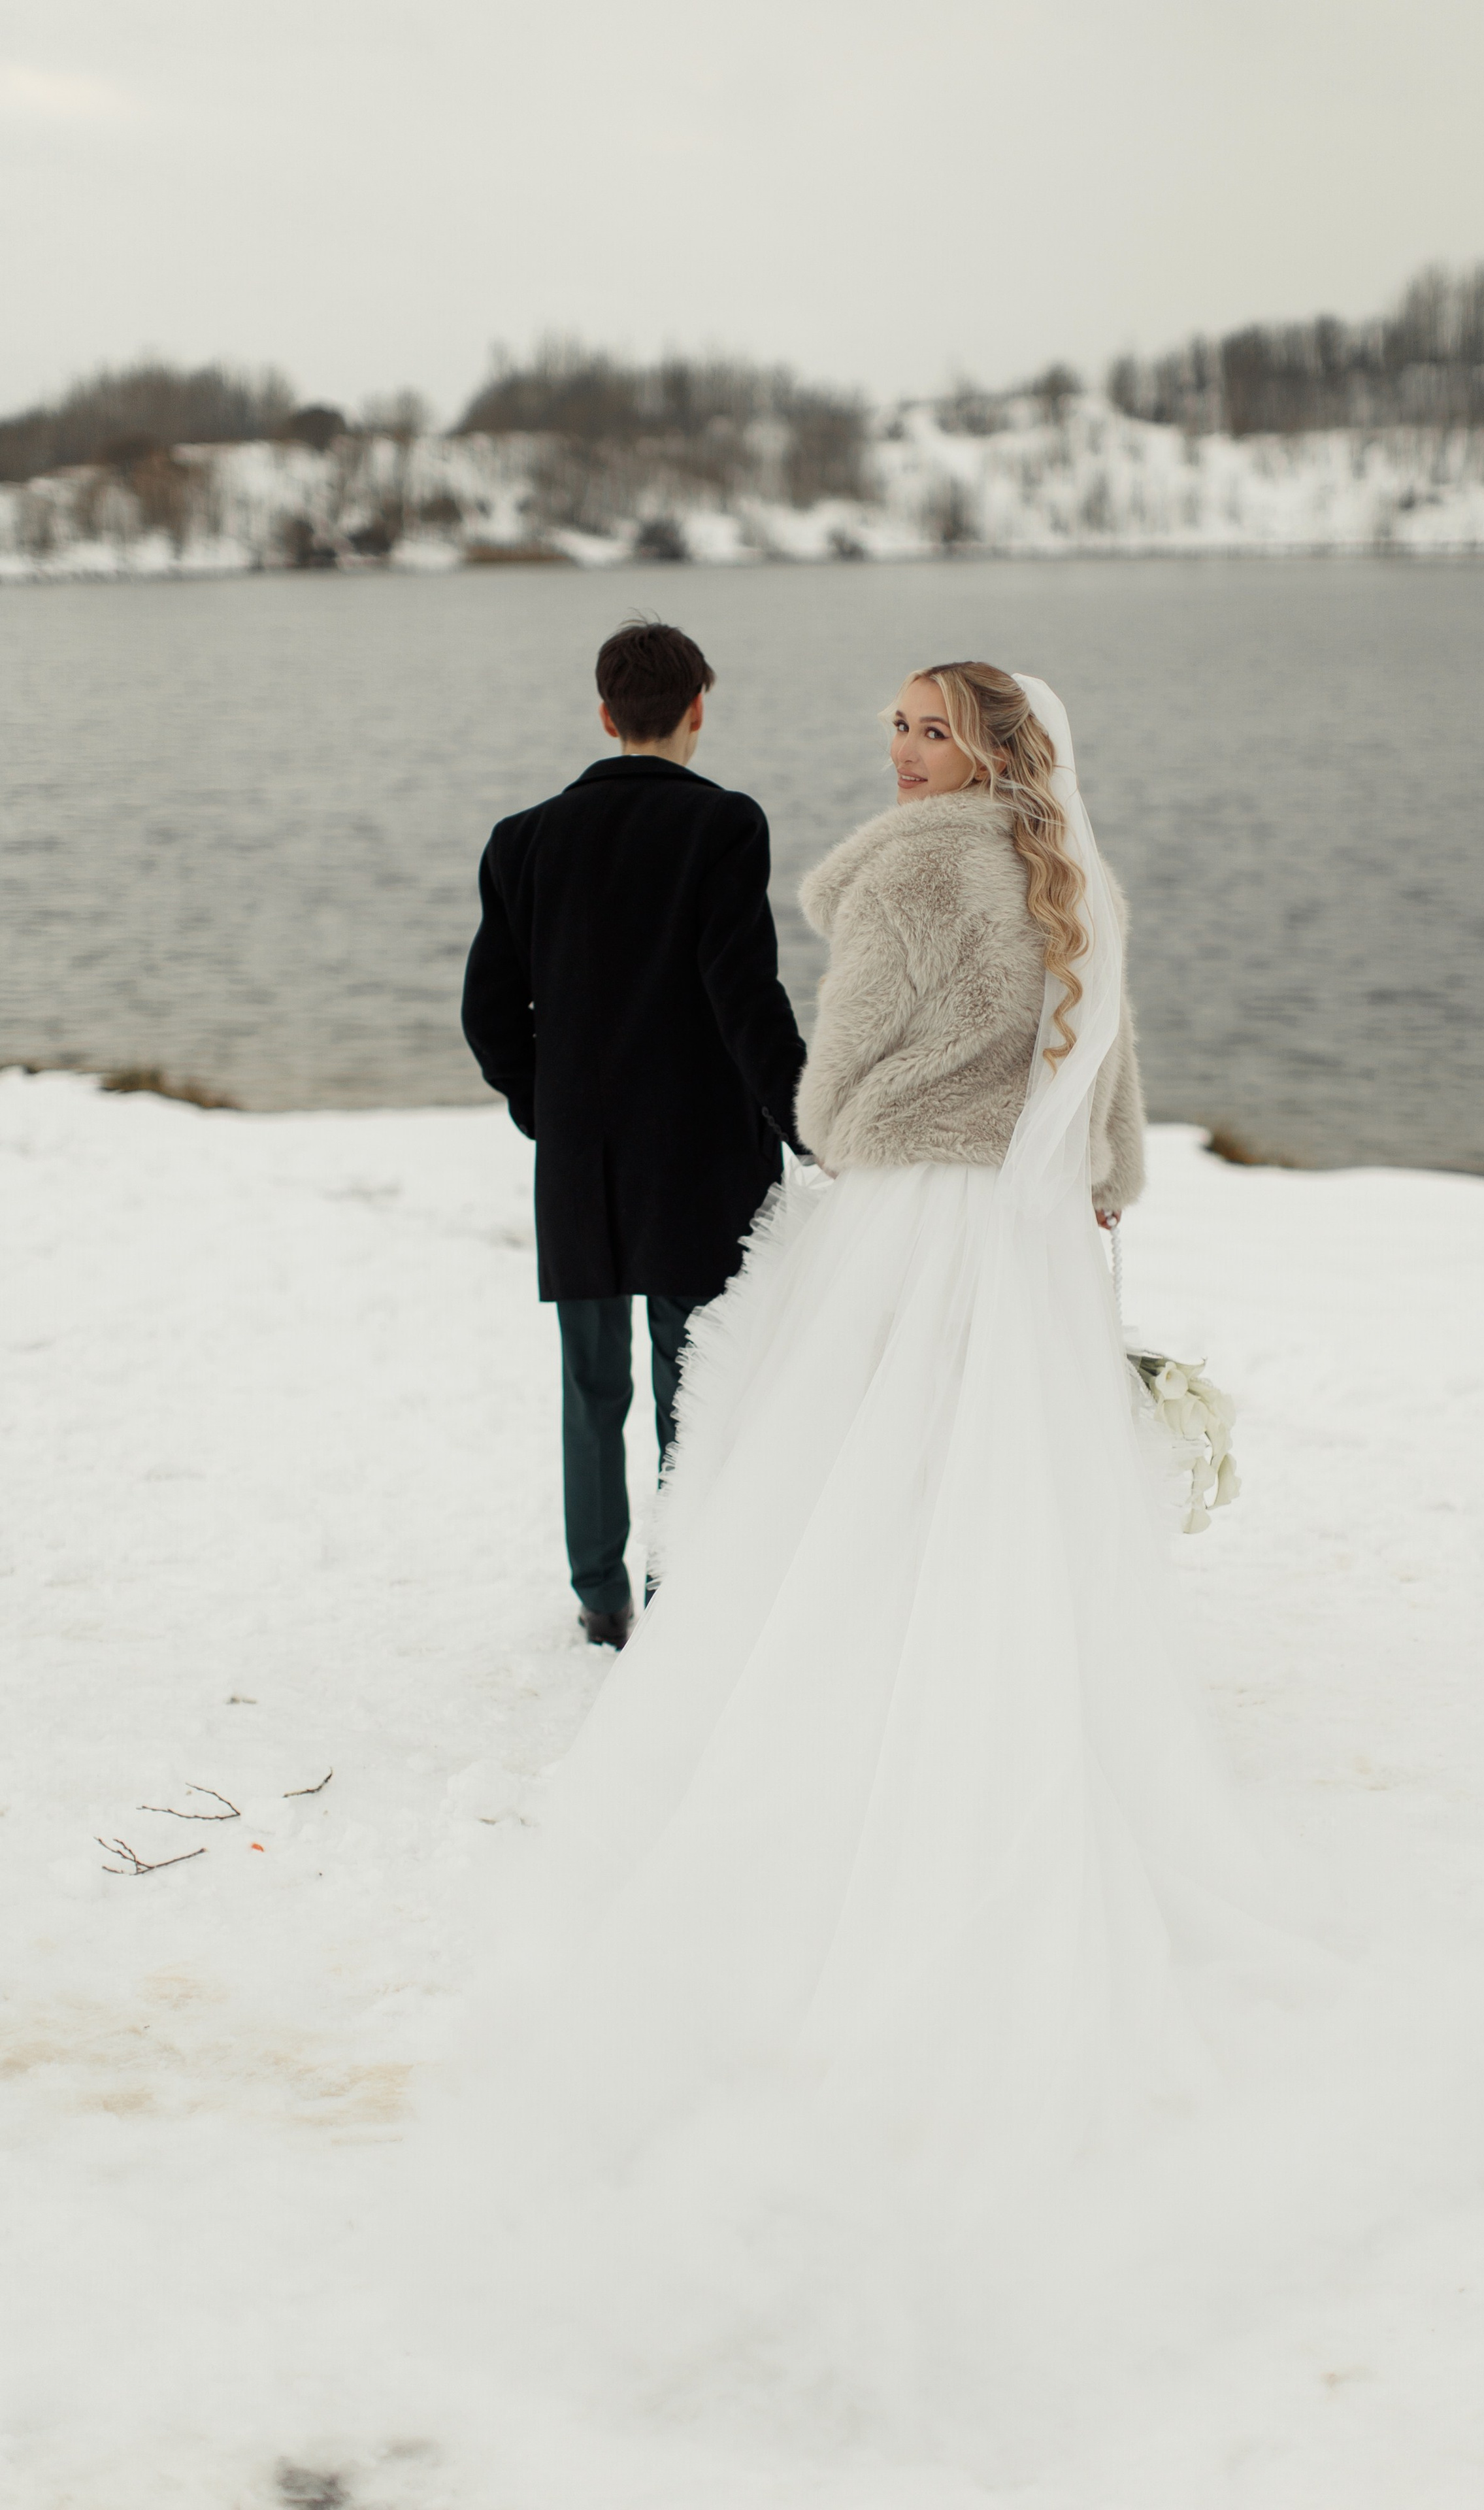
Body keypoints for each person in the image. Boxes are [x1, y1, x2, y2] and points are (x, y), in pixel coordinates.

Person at [438, 665, 1326, 2447]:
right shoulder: (1073, 863)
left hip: (919, 1213)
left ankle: (794, 1663)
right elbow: (1115, 1068)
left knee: (848, 1470)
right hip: (1036, 1229)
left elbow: (838, 1086)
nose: (899, 747)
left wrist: (843, 1137)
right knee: (994, 1466)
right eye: (897, 723)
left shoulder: (913, 869)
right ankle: (1001, 1677)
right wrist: (1101, 1184)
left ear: (991, 749)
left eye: (929, 725)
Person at [461, 620, 805, 1649]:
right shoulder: (726, 826)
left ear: (606, 716)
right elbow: (745, 999)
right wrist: (808, 1124)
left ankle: (599, 1597)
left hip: (582, 1167)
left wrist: (549, 1115)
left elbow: (491, 1017)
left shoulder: (522, 840)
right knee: (689, 1385)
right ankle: (680, 1589)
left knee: (589, 1382)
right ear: (700, 706)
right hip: (700, 1159)